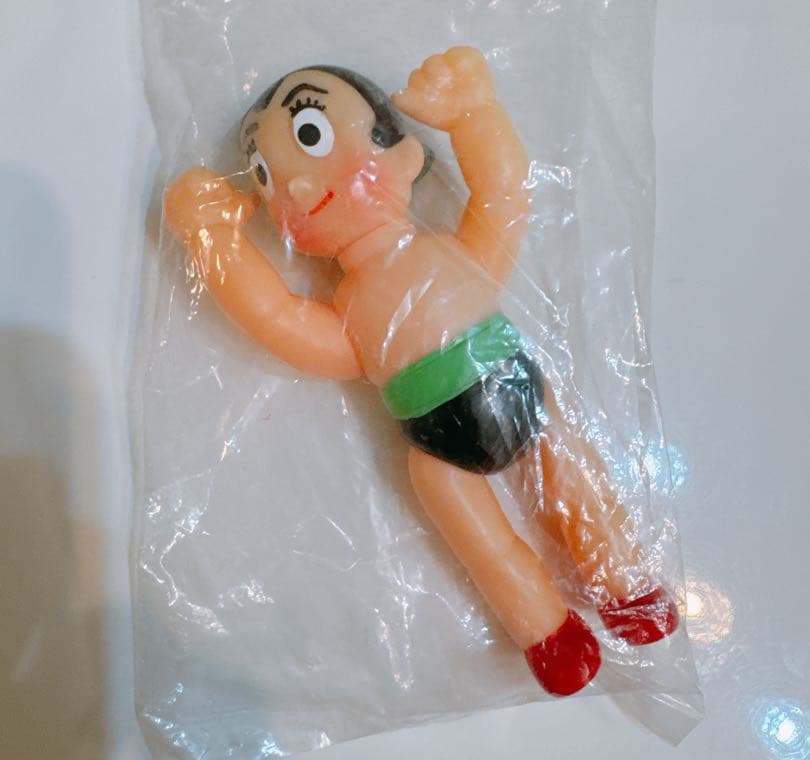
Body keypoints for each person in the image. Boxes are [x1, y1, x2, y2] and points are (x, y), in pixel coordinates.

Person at [165, 46, 678, 696]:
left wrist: (473, 114)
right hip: (436, 448)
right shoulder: (348, 313)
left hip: (521, 390)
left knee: (577, 484)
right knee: (484, 544)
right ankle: (547, 633)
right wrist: (215, 243)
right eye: (266, 173)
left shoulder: (454, 255)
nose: (296, 187)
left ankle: (628, 586)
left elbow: (503, 192)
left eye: (312, 134)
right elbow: (277, 318)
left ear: (405, 153)